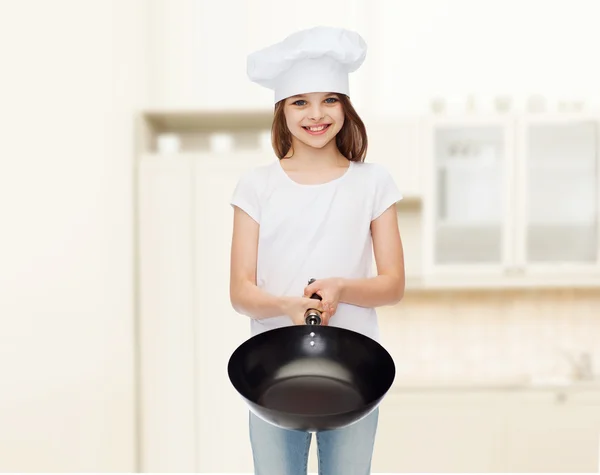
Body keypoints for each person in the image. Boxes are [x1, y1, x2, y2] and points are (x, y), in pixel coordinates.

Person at [229, 26, 405, 475]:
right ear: (281, 111)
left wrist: (341, 287)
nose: (316, 115)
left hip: (353, 372)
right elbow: (240, 292)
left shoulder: (373, 183)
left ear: (345, 107)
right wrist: (287, 304)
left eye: (330, 99)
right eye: (300, 102)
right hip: (273, 370)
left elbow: (392, 285)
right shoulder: (257, 185)